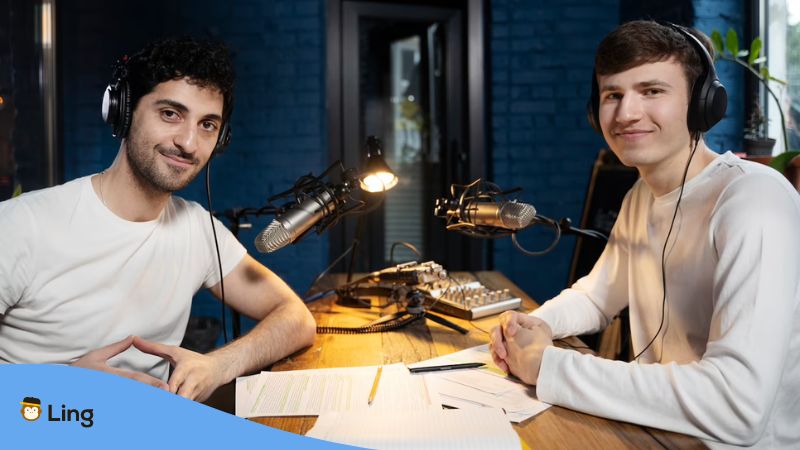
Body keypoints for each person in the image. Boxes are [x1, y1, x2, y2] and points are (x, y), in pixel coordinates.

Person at [490, 20, 800, 448]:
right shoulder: (641, 195)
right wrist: (532, 325)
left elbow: (737, 406)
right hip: (657, 435)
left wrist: (547, 366)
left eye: (652, 91)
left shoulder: (754, 200)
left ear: (701, 104)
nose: (626, 113)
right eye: (612, 95)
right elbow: (598, 296)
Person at [0, 37, 316, 402]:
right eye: (170, 114)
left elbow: (296, 317)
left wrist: (218, 365)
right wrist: (66, 388)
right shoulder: (19, 227)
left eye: (208, 125)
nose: (188, 142)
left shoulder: (196, 229)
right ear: (123, 110)